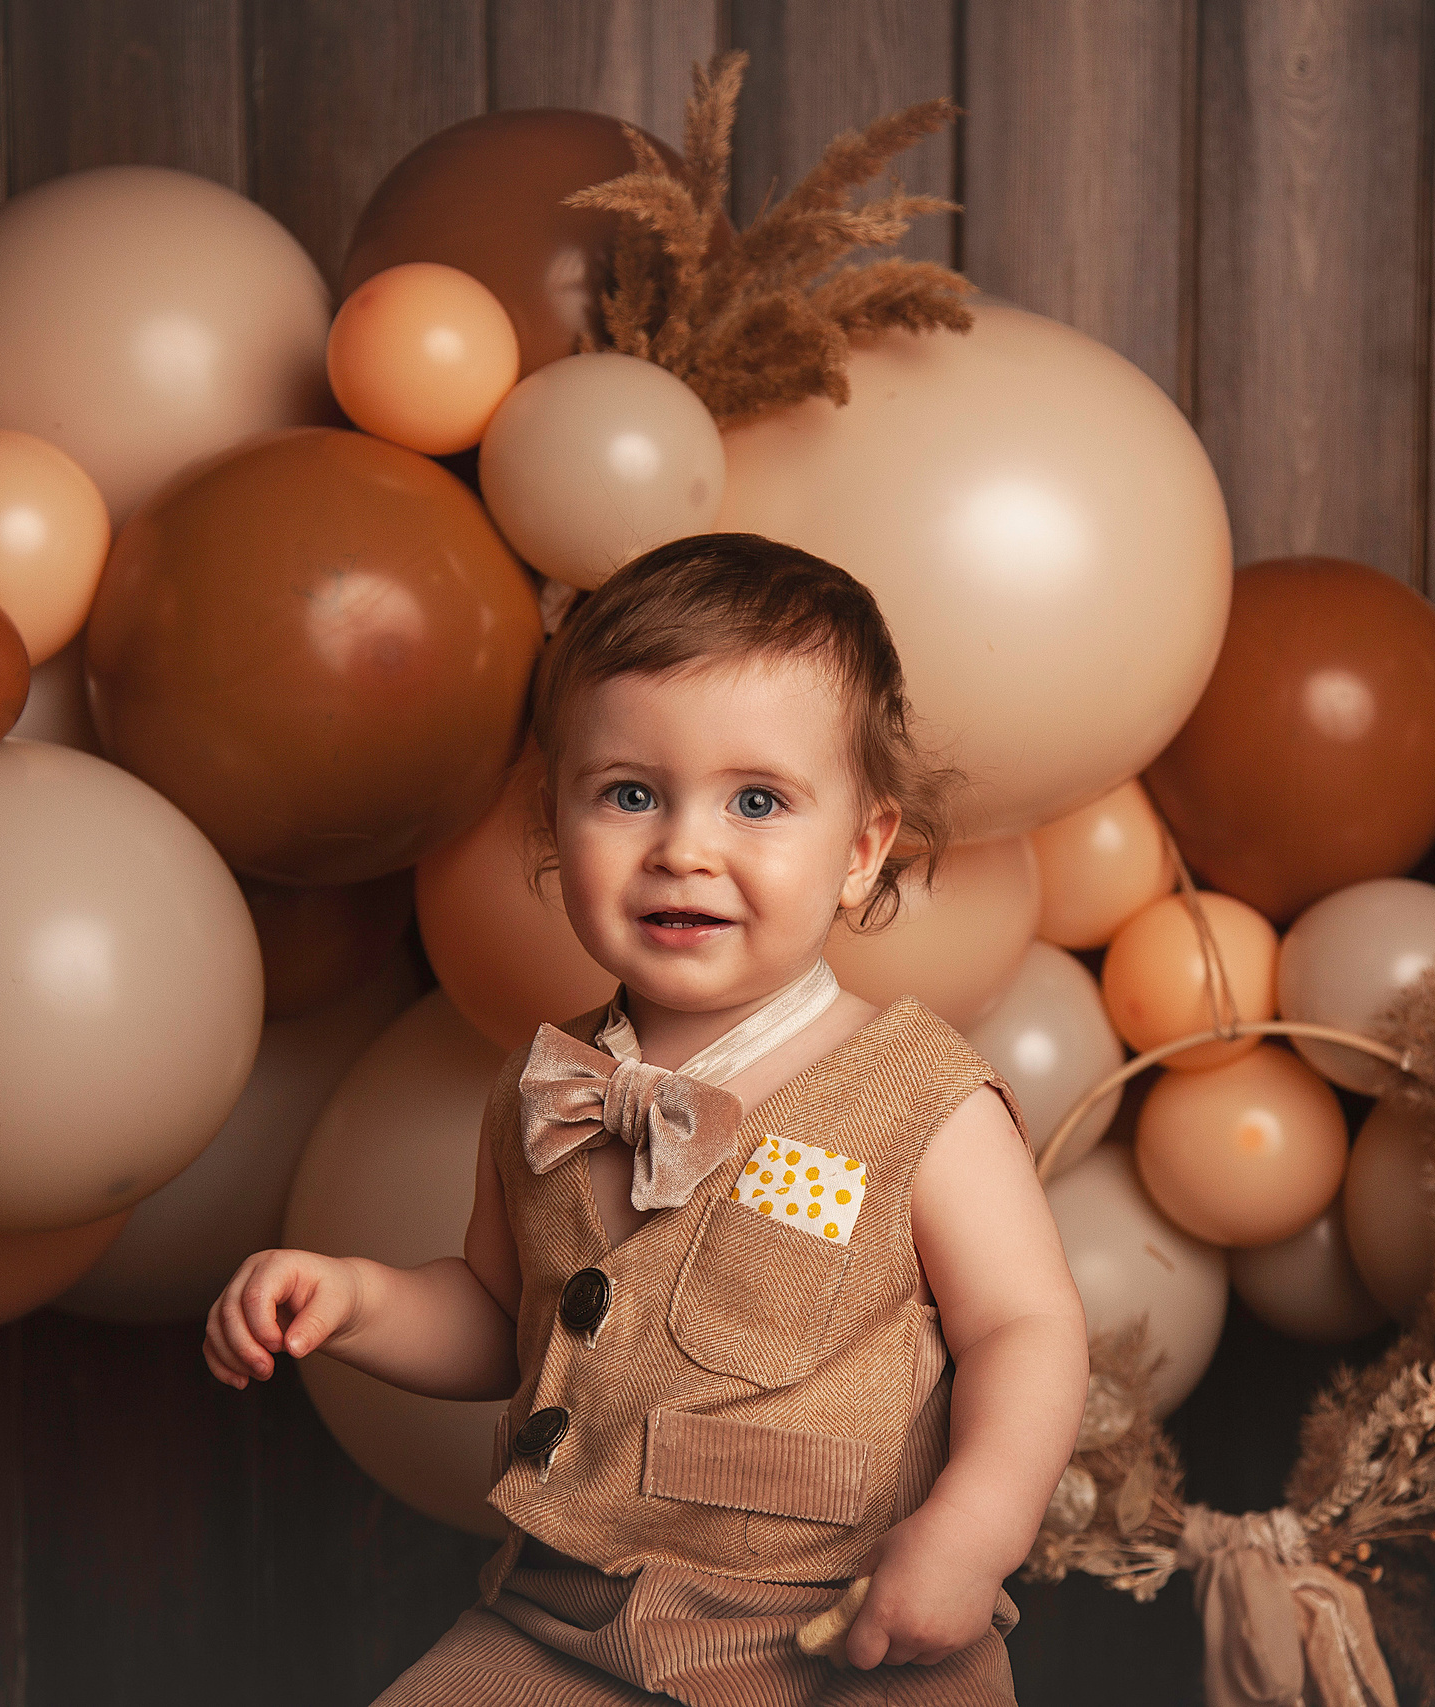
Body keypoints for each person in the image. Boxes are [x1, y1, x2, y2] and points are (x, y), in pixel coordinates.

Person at [205, 533, 1088, 1705]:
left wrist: (973, 1534)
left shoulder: (922, 1098)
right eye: (629, 795)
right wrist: (355, 1299)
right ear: (553, 821)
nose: (684, 850)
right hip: (560, 1613)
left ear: (859, 849)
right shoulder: (544, 1089)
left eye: (757, 801)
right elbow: (502, 1322)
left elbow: (1025, 1330)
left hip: (845, 1625)